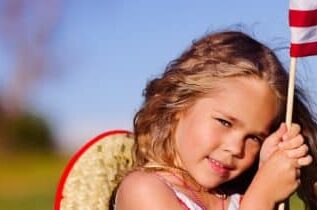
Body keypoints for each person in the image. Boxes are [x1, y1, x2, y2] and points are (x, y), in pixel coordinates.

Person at [113, 30, 317, 210]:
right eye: (225, 122)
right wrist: (262, 196)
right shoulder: (143, 190)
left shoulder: (237, 198)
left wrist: (266, 171)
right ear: (179, 104)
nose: (236, 148)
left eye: (254, 137)